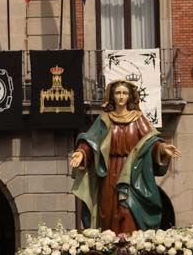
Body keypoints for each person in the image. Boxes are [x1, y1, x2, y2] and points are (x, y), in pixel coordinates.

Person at [68, 78, 180, 234]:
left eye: (124, 93)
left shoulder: (138, 118)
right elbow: (91, 140)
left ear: (130, 96)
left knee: (128, 209)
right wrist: (81, 153)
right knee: (107, 210)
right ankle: (108, 245)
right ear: (112, 96)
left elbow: (150, 141)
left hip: (133, 172)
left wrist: (162, 148)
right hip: (108, 172)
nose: (121, 96)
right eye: (118, 93)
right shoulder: (105, 119)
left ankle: (130, 245)